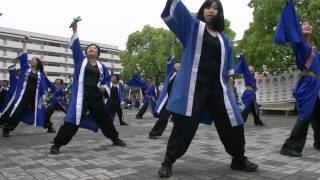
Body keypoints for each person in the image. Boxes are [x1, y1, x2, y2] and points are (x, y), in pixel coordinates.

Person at [158, 0, 258, 178]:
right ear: (202, 10)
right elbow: (177, 10)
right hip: (194, 86)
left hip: (218, 87)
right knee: (184, 125)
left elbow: (228, 68)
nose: (211, 11)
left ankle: (238, 158)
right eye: (208, 7)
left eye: (216, 9)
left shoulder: (224, 38)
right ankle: (168, 161)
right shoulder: (192, 27)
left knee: (233, 121)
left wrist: (229, 88)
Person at [50, 20, 126, 155]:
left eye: (94, 48)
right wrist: (74, 30)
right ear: (86, 52)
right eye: (89, 47)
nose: (91, 48)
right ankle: (57, 144)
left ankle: (115, 138)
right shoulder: (80, 60)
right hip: (81, 96)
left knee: (105, 119)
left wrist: (104, 88)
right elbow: (76, 46)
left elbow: (108, 81)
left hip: (96, 97)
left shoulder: (103, 67)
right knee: (73, 121)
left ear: (98, 53)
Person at [274, 0, 320, 157]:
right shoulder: (299, 42)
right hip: (308, 83)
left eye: (310, 25)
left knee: (318, 114)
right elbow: (292, 25)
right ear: (299, 29)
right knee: (306, 114)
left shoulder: (313, 47)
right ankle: (290, 146)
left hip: (316, 84)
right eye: (304, 24)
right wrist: (290, 7)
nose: (307, 26)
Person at [2, 38, 48, 137]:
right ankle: (7, 128)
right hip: (24, 96)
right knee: (18, 112)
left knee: (42, 110)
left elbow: (43, 85)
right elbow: (24, 57)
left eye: (34, 59)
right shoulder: (25, 69)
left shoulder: (41, 74)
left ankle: (48, 125)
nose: (32, 60)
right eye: (31, 59)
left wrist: (44, 95)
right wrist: (24, 44)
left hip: (35, 97)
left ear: (38, 63)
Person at [149, 47, 180, 139]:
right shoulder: (171, 73)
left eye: (180, 66)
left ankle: (179, 135)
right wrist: (172, 50)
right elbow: (171, 62)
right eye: (177, 65)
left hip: (177, 100)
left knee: (180, 119)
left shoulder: (183, 77)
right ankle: (153, 133)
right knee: (164, 117)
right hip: (168, 100)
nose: (179, 67)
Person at [236, 56, 265, 126]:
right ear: (248, 70)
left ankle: (257, 121)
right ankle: (240, 121)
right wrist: (242, 57)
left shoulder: (253, 76)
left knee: (255, 108)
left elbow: (260, 77)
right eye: (250, 69)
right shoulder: (247, 74)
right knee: (245, 107)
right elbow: (244, 66)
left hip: (252, 93)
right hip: (248, 93)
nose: (252, 69)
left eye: (253, 68)